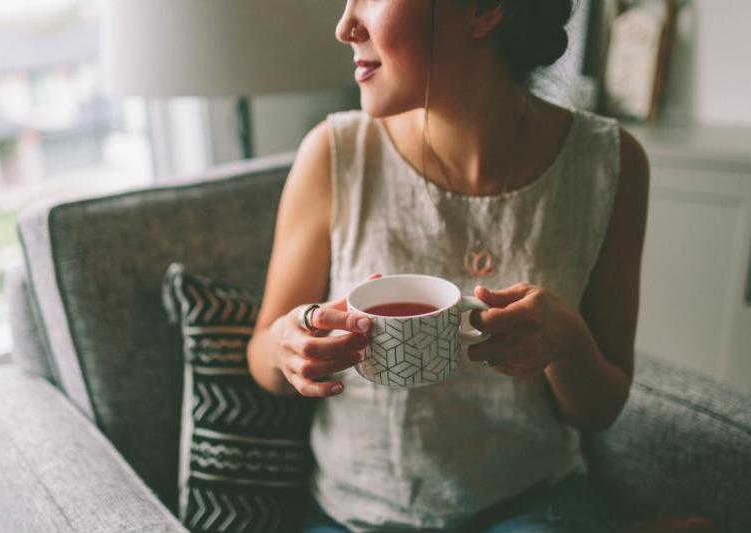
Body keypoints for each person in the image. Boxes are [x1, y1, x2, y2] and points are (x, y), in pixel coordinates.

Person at [247, 0, 649, 531]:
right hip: (354, 515)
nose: (345, 27)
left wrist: (565, 338)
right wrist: (288, 344)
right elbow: (260, 358)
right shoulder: (335, 154)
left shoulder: (606, 163)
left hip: (531, 505)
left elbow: (600, 411)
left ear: (483, 11)